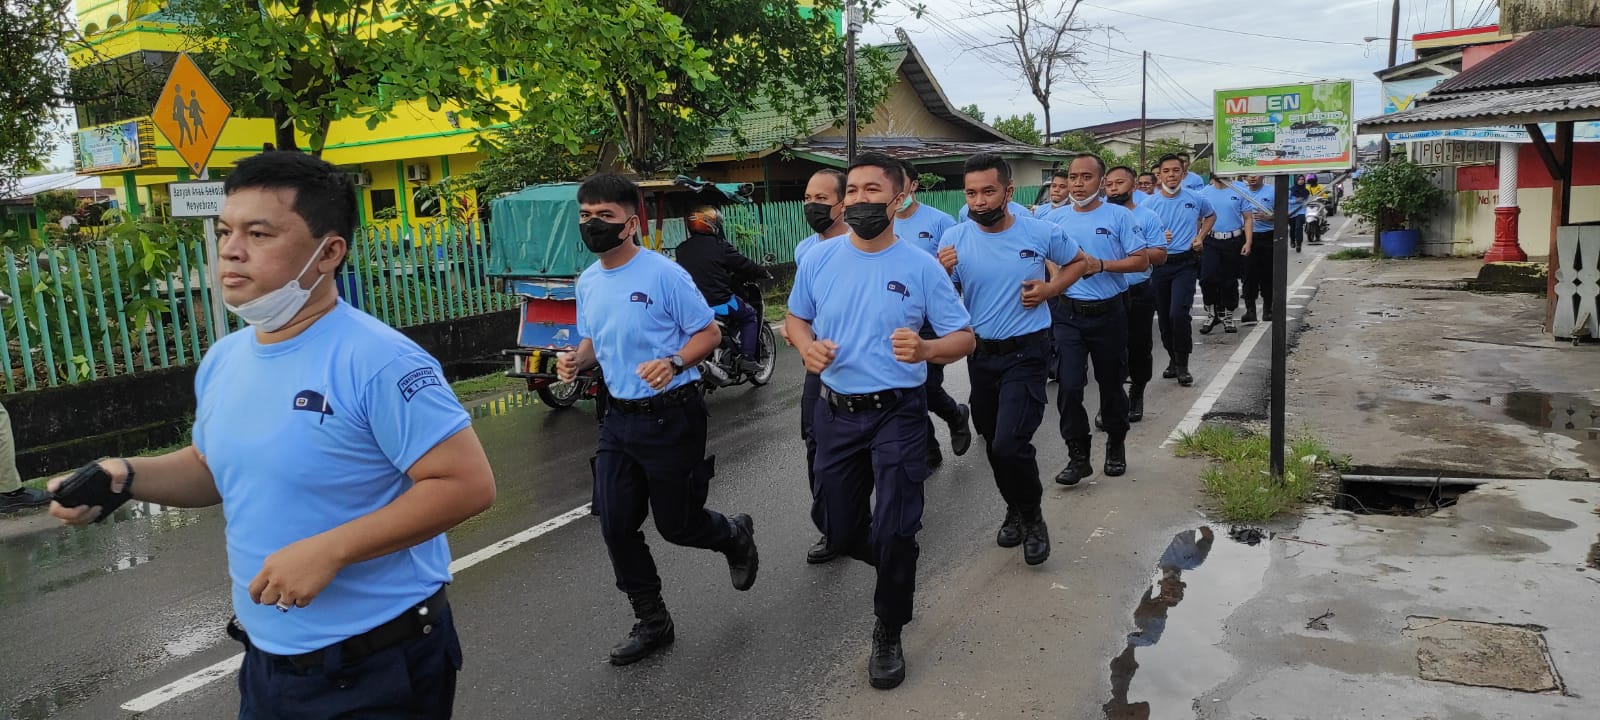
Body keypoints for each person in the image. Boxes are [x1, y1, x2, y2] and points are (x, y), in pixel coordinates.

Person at [48, 151, 496, 718]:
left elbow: (465, 484)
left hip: (377, 665)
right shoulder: (226, 358)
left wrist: (331, 549)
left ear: (328, 252)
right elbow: (211, 467)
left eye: (258, 233)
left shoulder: (378, 360)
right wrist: (126, 474)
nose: (231, 250)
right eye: (225, 231)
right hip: (268, 662)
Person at [785, 151, 974, 690]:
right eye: (853, 191)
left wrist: (927, 349)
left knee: (895, 528)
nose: (860, 200)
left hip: (898, 413)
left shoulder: (920, 266)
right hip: (836, 412)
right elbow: (795, 318)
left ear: (898, 198)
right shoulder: (818, 259)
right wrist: (805, 346)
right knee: (839, 529)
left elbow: (964, 337)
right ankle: (897, 563)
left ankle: (888, 626)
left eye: (873, 190)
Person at [557, 174, 759, 666]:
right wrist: (576, 361)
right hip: (617, 419)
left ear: (631, 224)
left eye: (604, 215)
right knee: (615, 525)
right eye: (585, 215)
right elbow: (593, 340)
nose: (592, 224)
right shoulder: (588, 281)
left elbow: (708, 334)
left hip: (672, 415)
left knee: (677, 525)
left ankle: (732, 535)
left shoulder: (664, 275)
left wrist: (673, 362)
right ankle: (652, 620)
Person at [936, 153, 1086, 566]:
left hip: (1027, 352)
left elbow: (1078, 263)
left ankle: (1033, 518)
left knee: (1009, 442)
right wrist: (939, 271)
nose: (979, 201)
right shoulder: (954, 238)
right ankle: (1014, 507)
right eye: (971, 193)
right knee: (993, 441)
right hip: (981, 356)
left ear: (1008, 191)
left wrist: (1050, 290)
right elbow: (941, 297)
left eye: (988, 191)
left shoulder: (1040, 231)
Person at [1045, 154, 1151, 486]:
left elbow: (1141, 261)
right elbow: (1048, 256)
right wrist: (1057, 278)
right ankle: (1078, 455)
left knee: (1111, 384)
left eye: (1086, 177)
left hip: (1109, 313)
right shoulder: (1054, 219)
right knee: (1069, 386)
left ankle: (1116, 442)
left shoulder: (1119, 216)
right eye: (1073, 177)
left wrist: (1101, 265)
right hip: (1068, 315)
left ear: (1101, 182)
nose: (1078, 184)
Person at [894, 159, 972, 470]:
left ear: (913, 185)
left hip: (930, 315)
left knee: (925, 383)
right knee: (902, 386)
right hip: (895, 316)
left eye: (899, 182)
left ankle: (955, 414)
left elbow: (953, 275)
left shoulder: (941, 222)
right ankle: (928, 448)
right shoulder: (882, 223)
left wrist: (944, 271)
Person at [790, 167, 850, 564]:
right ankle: (832, 527)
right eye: (808, 198)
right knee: (816, 442)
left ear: (842, 204)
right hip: (821, 365)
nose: (812, 205)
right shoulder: (805, 251)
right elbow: (801, 310)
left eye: (821, 199)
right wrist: (800, 336)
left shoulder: (865, 245)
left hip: (868, 367)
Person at [674, 204, 770, 377]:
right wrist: (762, 272)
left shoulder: (681, 249)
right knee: (750, 316)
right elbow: (743, 264)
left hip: (692, 305)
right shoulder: (720, 246)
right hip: (719, 302)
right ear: (711, 224)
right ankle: (747, 358)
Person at [1145, 154, 1215, 387]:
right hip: (1160, 265)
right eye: (1166, 171)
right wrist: (1157, 237)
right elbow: (1138, 231)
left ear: (1183, 174)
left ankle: (1183, 364)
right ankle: (1173, 359)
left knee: (1179, 313)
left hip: (1185, 263)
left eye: (1176, 170)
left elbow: (1210, 215)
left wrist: (1200, 237)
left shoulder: (1196, 198)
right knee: (1164, 317)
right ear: (1159, 175)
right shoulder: (1149, 204)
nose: (1171, 175)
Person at [1104, 166, 1167, 424]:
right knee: (1109, 349)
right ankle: (1111, 399)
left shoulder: (1147, 216)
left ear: (1133, 187)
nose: (1113, 188)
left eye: (1119, 183)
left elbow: (1160, 254)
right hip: (1107, 293)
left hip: (1138, 292)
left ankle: (1137, 391)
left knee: (1139, 346)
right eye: (1109, 184)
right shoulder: (1097, 215)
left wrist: (1132, 253)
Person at [1197, 174, 1253, 336]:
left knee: (1229, 280)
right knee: (1206, 277)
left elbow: (1248, 218)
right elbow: (1198, 219)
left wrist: (1248, 242)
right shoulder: (1203, 193)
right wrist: (1197, 238)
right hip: (1211, 240)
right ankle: (1212, 312)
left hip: (1233, 240)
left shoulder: (1240, 191)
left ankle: (1228, 315)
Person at [1240, 175, 1276, 324]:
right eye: (1249, 175)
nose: (1252, 177)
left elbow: (1286, 214)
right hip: (1246, 237)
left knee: (1267, 274)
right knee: (1248, 275)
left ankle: (1268, 308)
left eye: (1255, 174)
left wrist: (1269, 217)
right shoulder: (1240, 192)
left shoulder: (1272, 191)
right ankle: (1250, 310)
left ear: (1263, 175)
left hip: (1267, 236)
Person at [1288, 175, 1310, 253]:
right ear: (1296, 180)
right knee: (1293, 228)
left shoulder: (1306, 191)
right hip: (1291, 212)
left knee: (1299, 227)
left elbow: (1307, 201)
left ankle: (1299, 243)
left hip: (1301, 211)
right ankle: (1292, 240)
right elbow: (1286, 200)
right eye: (1299, 179)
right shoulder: (1291, 190)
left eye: (1303, 179)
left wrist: (1304, 202)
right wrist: (1295, 201)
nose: (1301, 181)